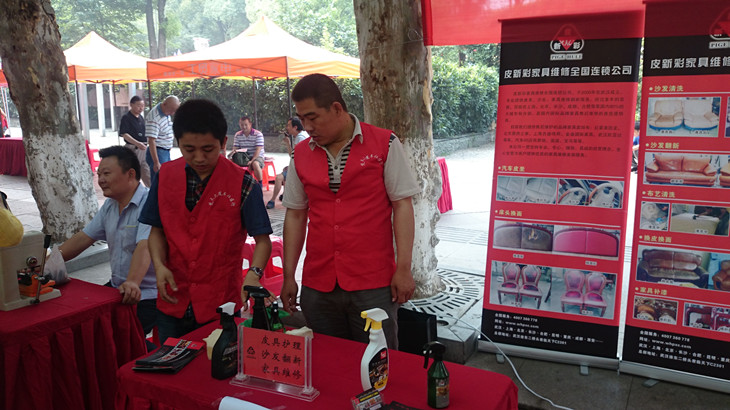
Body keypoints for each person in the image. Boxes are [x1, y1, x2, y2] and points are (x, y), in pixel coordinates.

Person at [280, 74, 420, 348]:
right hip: (318, 282)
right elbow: (295, 214)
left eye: (313, 117)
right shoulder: (301, 154)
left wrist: (404, 268)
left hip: (373, 281)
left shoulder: (384, 143)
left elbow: (402, 205)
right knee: (327, 358)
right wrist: (288, 275)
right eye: (302, 119)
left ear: (336, 108)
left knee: (378, 360)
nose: (307, 127)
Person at [139, 99, 273, 344]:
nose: (199, 158)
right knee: (170, 361)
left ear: (223, 143)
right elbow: (156, 230)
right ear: (177, 143)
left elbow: (263, 240)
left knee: (219, 362)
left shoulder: (243, 183)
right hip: (173, 297)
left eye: (208, 149)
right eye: (189, 149)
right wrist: (159, 266)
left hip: (220, 302)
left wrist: (253, 274)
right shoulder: (165, 176)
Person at [58, 146, 158, 345]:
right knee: (81, 321)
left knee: (116, 340)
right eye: (99, 174)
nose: (101, 180)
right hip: (117, 288)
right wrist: (47, 262)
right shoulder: (110, 206)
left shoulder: (149, 204)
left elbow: (145, 246)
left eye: (106, 173)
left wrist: (133, 283)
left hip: (147, 294)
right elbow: (83, 238)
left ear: (130, 174)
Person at [266, 117, 308, 209]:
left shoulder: (300, 138)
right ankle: (286, 195)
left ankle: (272, 200)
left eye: (289, 125)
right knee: (286, 171)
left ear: (295, 127)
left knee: (279, 177)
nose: (287, 127)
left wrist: (288, 144)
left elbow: (293, 156)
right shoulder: (303, 135)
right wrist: (288, 143)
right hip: (301, 166)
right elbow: (294, 155)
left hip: (301, 169)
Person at [145, 95, 180, 182]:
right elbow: (151, 141)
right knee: (159, 181)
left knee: (166, 178)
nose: (172, 113)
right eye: (171, 110)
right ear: (164, 104)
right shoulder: (154, 118)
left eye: (174, 111)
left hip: (164, 150)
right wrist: (156, 162)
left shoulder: (165, 111)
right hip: (158, 152)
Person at [119, 96, 151, 187]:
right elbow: (124, 134)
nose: (141, 108)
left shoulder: (141, 117)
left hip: (143, 148)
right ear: (131, 105)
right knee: (133, 171)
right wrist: (137, 143)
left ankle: (151, 190)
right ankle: (130, 189)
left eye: (143, 106)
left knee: (146, 171)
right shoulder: (126, 117)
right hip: (134, 148)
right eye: (138, 105)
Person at [227, 115, 265, 181]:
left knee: (255, 164)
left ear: (250, 124)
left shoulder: (258, 134)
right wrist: (231, 155)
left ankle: (260, 183)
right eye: (242, 125)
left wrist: (251, 161)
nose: (244, 127)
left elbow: (258, 150)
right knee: (229, 163)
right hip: (243, 156)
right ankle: (233, 182)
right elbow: (235, 148)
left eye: (246, 125)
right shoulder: (237, 135)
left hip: (257, 157)